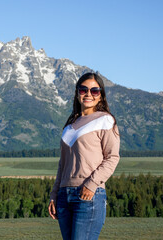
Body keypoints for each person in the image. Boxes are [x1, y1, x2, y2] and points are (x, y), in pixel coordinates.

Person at [48, 72, 120, 240]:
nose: (88, 94)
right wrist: (54, 194)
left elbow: (112, 157)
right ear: (77, 93)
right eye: (83, 89)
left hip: (88, 195)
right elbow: (63, 164)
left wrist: (92, 184)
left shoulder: (106, 120)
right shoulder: (69, 126)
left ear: (101, 96)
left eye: (94, 91)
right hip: (64, 196)